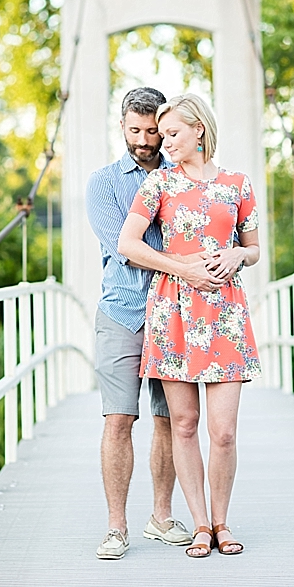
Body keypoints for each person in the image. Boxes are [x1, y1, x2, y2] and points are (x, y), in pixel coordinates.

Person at [116, 92, 263, 559]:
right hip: (174, 311)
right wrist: (183, 267)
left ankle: (223, 521)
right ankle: (200, 524)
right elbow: (128, 244)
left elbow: (254, 248)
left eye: (173, 133)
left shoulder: (238, 183)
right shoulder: (158, 185)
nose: (164, 141)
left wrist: (240, 254)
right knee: (183, 423)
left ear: (199, 129)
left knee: (223, 432)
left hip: (225, 313)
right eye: (162, 134)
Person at [84, 86, 201, 559]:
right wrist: (188, 264)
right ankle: (116, 528)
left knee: (170, 419)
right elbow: (124, 248)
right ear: (122, 127)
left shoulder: (186, 178)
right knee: (118, 420)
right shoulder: (103, 183)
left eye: (154, 131)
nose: (145, 140)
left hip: (175, 313)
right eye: (135, 130)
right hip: (123, 310)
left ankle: (161, 517)